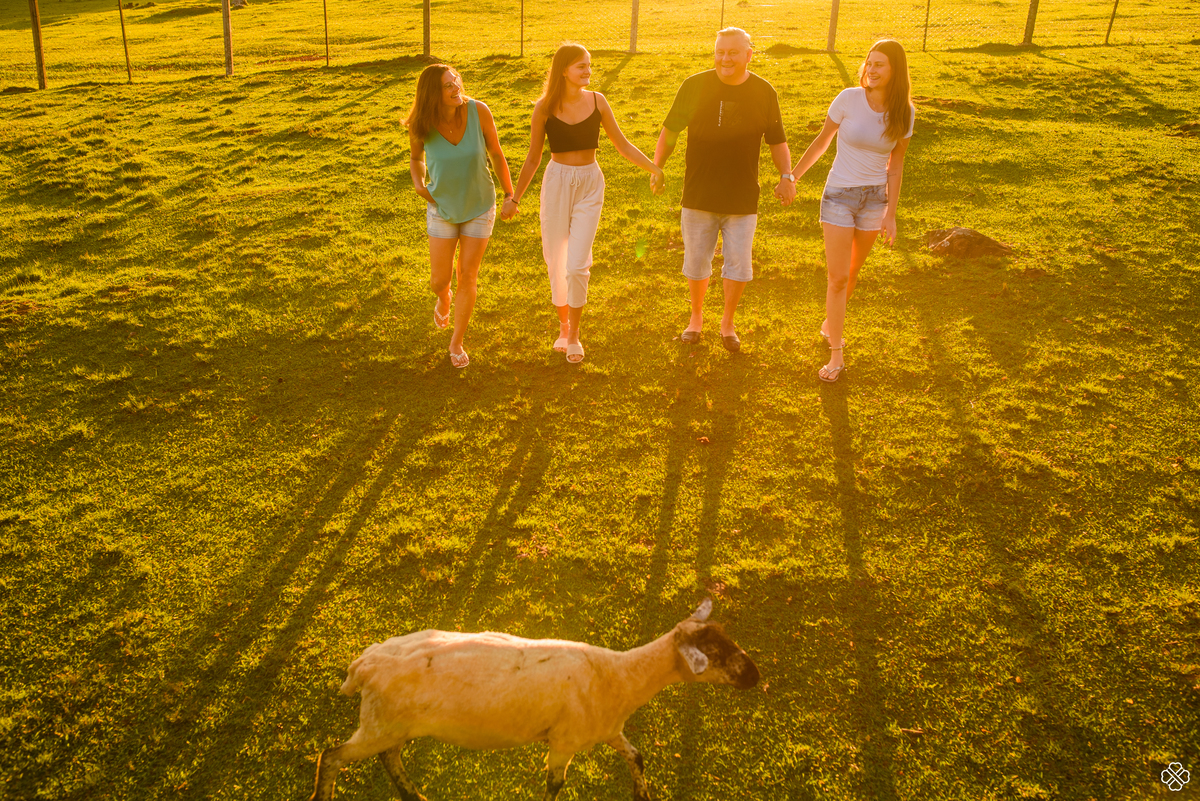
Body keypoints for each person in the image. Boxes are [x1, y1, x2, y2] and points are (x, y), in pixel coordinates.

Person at [506, 44, 664, 364]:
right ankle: (563, 327)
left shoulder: (598, 101)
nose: (588, 71)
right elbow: (534, 157)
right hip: (557, 183)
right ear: (563, 70)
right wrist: (514, 197)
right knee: (556, 260)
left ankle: (575, 334)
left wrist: (654, 168)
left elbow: (622, 145)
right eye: (581, 66)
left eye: (589, 65)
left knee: (577, 265)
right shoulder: (545, 107)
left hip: (590, 183)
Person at [653, 27, 796, 353]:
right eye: (720, 51)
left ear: (748, 54)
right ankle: (696, 317)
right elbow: (670, 130)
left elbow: (777, 141)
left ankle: (727, 323)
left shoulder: (763, 91)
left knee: (738, 264)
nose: (725, 58)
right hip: (699, 193)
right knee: (697, 261)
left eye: (733, 52)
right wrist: (657, 166)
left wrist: (786, 176)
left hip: (742, 196)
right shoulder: (694, 85)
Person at [789, 39, 914, 382]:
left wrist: (890, 213)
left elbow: (896, 165)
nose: (871, 70)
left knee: (854, 270)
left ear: (895, 71)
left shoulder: (904, 112)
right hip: (839, 196)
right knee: (839, 276)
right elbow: (822, 140)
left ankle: (831, 323)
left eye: (880, 65)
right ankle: (836, 352)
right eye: (869, 63)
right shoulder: (848, 99)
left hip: (875, 200)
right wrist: (792, 176)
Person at [406, 64, 515, 369]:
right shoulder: (421, 124)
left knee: (468, 275)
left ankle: (456, 342)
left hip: (480, 204)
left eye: (456, 82)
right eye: (448, 86)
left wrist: (510, 194)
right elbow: (416, 158)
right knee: (439, 279)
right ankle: (443, 298)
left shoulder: (479, 111)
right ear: (432, 94)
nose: (457, 89)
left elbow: (496, 152)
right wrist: (418, 184)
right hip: (442, 206)